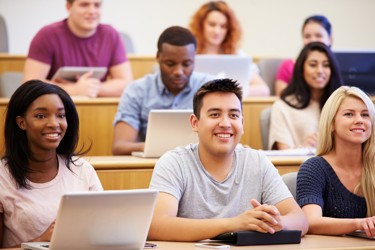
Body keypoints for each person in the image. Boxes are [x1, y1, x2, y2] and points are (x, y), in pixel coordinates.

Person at [148, 78, 308, 241]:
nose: (225, 123)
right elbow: (156, 225)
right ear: (195, 123)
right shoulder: (173, 163)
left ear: (242, 123)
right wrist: (234, 224)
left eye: (233, 115)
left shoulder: (257, 162)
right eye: (215, 114)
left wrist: (277, 222)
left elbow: (300, 220)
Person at [0, 80, 103, 248]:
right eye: (41, 116)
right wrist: (42, 241)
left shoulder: (83, 169)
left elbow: (102, 226)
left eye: (61, 115)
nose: (54, 124)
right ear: (21, 122)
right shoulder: (2, 176)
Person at [112, 26, 213, 155]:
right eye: (170, 64)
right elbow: (119, 146)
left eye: (186, 64)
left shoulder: (210, 88)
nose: (178, 72)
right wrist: (150, 147)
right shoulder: (136, 91)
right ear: (158, 57)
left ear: (194, 59)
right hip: (152, 167)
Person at [297, 86, 375, 237]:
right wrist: (360, 223)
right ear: (331, 123)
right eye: (349, 114)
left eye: (365, 115)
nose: (359, 120)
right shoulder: (314, 168)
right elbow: (310, 222)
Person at [23, 0, 133, 98]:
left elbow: (126, 83)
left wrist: (92, 88)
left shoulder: (111, 35)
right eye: (84, 4)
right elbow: (30, 83)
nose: (92, 11)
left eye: (97, 5)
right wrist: (74, 90)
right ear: (68, 7)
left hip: (95, 109)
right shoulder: (47, 35)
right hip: (56, 110)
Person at [268, 42, 342, 150]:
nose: (320, 71)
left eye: (326, 65)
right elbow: (284, 155)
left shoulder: (342, 104)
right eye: (313, 65)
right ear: (301, 69)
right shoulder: (282, 107)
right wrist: (303, 147)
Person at [189, 1, 270, 97]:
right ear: (201, 25)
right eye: (212, 24)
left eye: (223, 26)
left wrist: (230, 91)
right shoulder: (190, 53)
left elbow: (263, 90)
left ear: (229, 30)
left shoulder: (237, 56)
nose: (217, 31)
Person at [275, 15, 332, 96]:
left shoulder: (338, 66)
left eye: (318, 35)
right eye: (307, 36)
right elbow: (282, 97)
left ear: (330, 39)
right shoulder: (288, 66)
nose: (312, 40)